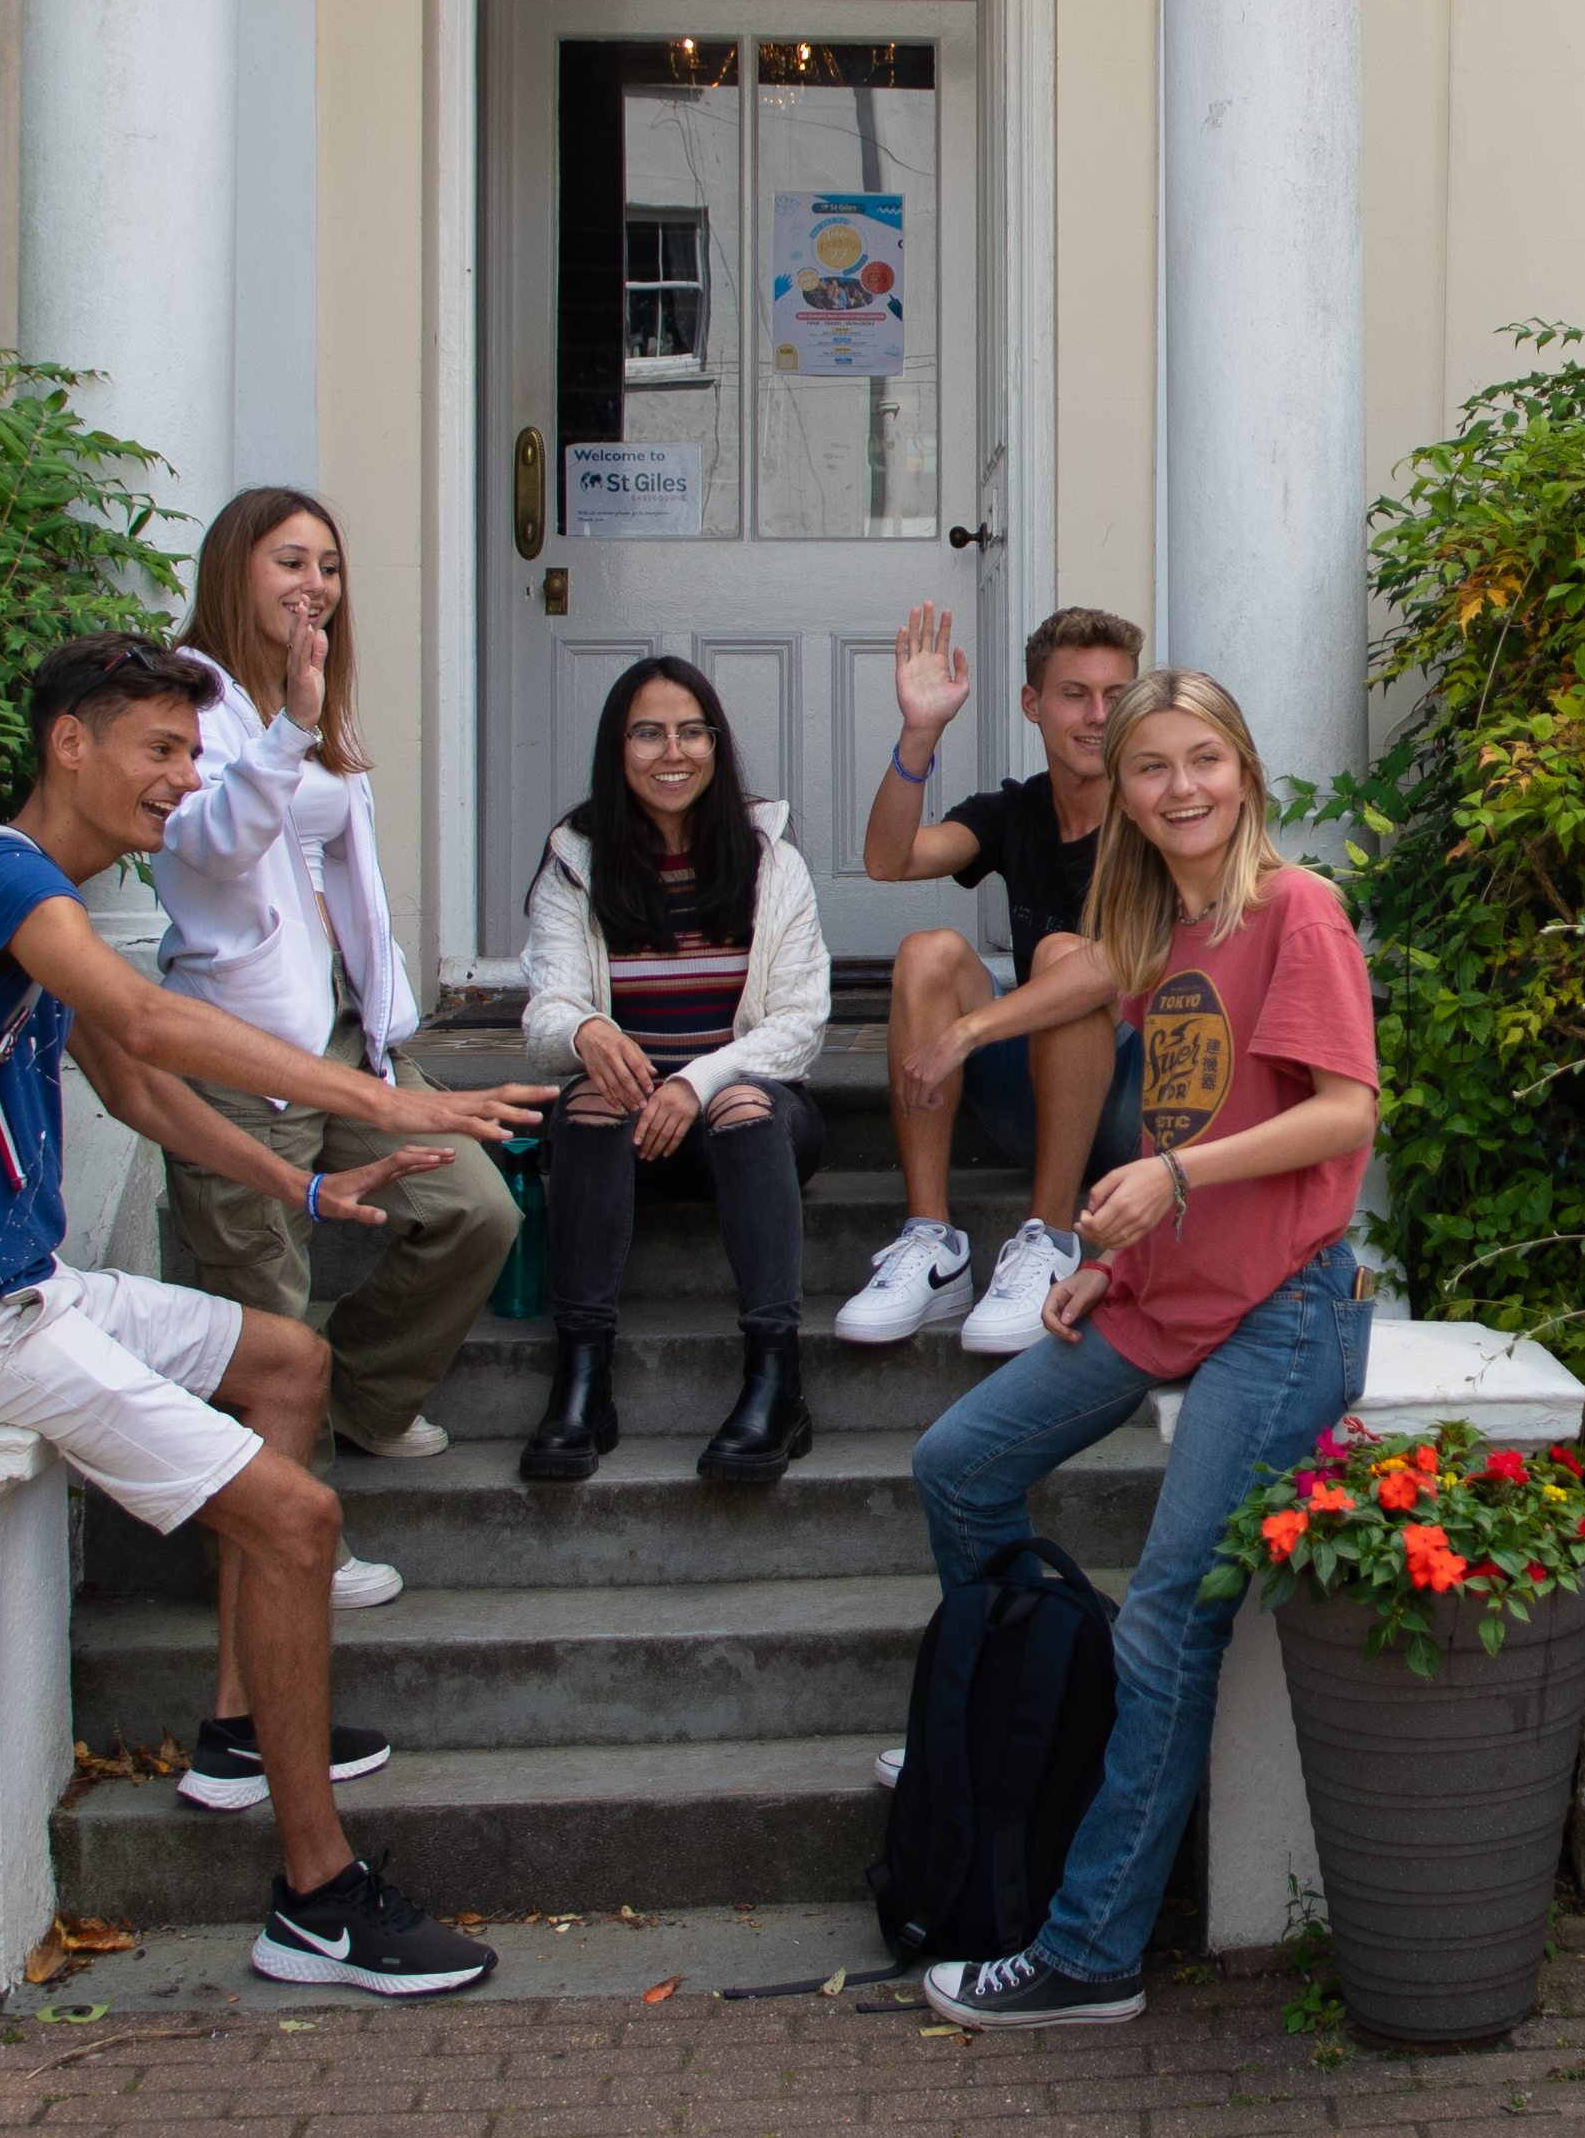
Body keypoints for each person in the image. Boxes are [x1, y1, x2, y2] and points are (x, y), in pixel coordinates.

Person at [0, 631, 547, 1997]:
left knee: (287, 1361)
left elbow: (132, 1089)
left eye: (190, 750)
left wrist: (296, 1180)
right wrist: (387, 1100)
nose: (183, 779)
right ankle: (317, 1897)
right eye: (160, 750)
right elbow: (156, 1033)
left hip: (23, 1287)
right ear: (70, 744)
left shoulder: (41, 892)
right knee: (298, 1518)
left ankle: (235, 1729)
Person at [898, 668, 1379, 2032]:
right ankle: (1026, 1709)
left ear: (1247, 774)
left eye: (1204, 762)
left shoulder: (1300, 913)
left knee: (1171, 1619)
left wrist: (1171, 1186)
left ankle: (1090, 1952)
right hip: (1165, 1288)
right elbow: (1183, 1124)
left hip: (1283, 1310)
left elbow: (1344, 1115)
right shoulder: (1157, 928)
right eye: (1153, 767)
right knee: (958, 1464)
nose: (1180, 789)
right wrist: (1118, 1251)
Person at [152, 488, 518, 1474]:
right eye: (290, 561)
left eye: (329, 565)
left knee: (477, 1212)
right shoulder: (186, 697)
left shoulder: (300, 691)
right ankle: (286, 1535)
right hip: (243, 1046)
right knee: (266, 1301)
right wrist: (290, 730)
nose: (315, 583)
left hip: (350, 1035)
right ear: (235, 570)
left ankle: (361, 1395)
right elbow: (216, 849)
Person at [518, 656, 832, 1489]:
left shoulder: (770, 855)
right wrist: (585, 1028)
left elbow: (800, 1027)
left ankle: (776, 1379)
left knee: (741, 1104)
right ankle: (581, 1379)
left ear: (717, 744)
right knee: (586, 1104)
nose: (674, 751)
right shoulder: (576, 859)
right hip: (625, 1136)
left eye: (693, 731)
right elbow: (546, 1009)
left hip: (749, 1128)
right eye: (649, 732)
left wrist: (694, 1081)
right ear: (617, 748)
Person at [841, 604, 1149, 1354]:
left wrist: (972, 1030)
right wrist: (920, 734)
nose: (1097, 716)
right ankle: (935, 1247)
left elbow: (1119, 965)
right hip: (1035, 1101)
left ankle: (1047, 1242)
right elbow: (889, 860)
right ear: (1032, 704)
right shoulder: (1013, 812)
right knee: (928, 952)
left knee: (1064, 959)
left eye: (1116, 696)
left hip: (1135, 1106)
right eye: (1075, 694)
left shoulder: (1158, 812)